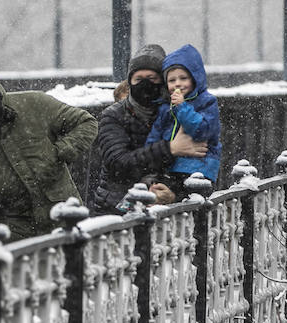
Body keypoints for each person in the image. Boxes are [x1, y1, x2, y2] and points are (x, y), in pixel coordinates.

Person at [0, 57, 99, 242]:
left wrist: (57, 153)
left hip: (64, 217)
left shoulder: (34, 103)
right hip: (14, 231)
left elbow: (86, 123)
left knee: (72, 267)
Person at [88, 43, 209, 214]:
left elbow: (198, 173)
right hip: (116, 212)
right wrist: (170, 149)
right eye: (138, 79)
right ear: (130, 82)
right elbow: (118, 163)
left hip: (168, 216)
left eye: (152, 79)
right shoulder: (114, 115)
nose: (145, 85)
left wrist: (173, 193)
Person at [144, 44, 222, 186]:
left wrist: (182, 107)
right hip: (171, 167)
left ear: (194, 79)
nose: (177, 84)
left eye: (183, 78)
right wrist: (154, 154)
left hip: (199, 167)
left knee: (191, 199)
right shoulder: (165, 107)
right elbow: (155, 135)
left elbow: (202, 131)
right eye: (172, 80)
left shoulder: (206, 102)